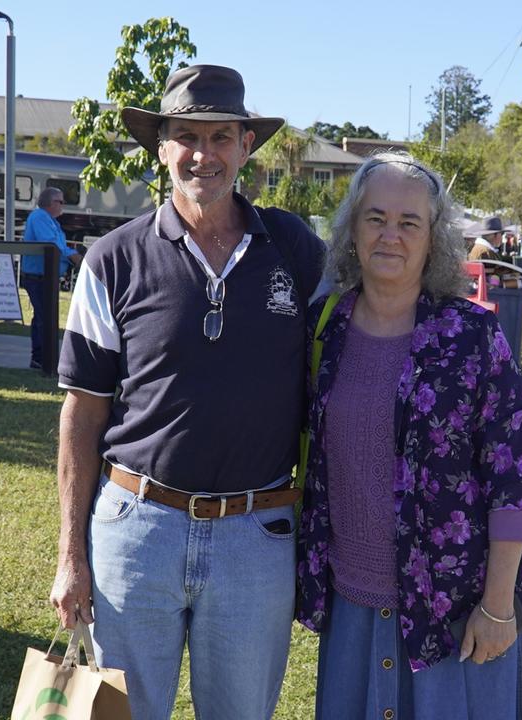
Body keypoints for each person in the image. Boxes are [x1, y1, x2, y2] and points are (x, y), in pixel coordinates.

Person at [48, 64, 323, 720]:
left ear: (245, 145)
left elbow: (346, 361)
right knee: (124, 714)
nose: (204, 154)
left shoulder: (295, 250)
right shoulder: (112, 259)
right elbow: (81, 415)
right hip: (135, 531)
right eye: (187, 137)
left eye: (221, 136)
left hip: (255, 537)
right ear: (162, 148)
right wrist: (70, 556)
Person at [296, 152, 522, 719]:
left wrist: (499, 606)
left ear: (434, 239)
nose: (391, 235)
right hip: (354, 603)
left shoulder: (475, 334)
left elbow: (513, 480)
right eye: (375, 218)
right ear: (351, 231)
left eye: (409, 222)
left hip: (460, 612)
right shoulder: (325, 330)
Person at [21, 187, 80, 369]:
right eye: (60, 201)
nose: (63, 205)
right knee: (44, 317)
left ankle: (41, 357)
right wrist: (73, 255)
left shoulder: (51, 221)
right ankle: (41, 358)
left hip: (47, 276)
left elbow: (58, 245)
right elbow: (51, 244)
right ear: (49, 203)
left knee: (43, 316)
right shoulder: (39, 217)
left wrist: (72, 254)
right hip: (38, 276)